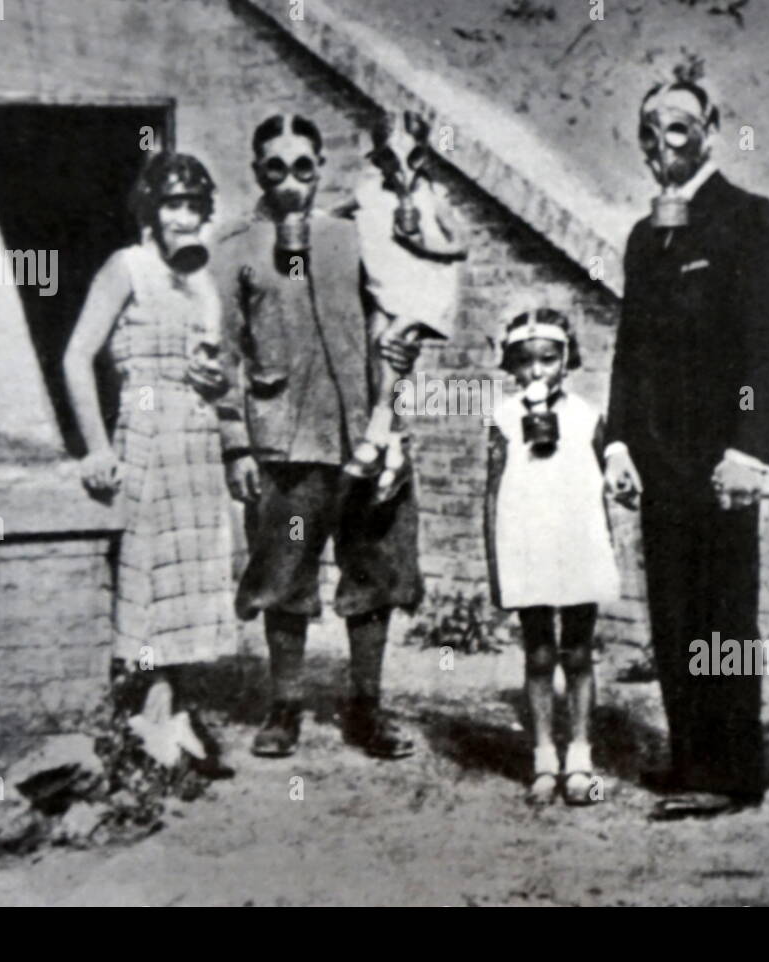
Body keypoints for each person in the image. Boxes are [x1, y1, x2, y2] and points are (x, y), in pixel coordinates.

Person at [213, 111, 435, 760]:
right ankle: (284, 705)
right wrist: (235, 444)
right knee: (284, 573)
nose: (290, 183)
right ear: (258, 172)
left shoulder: (353, 239)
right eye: (275, 169)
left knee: (375, 572)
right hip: (287, 449)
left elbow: (392, 330)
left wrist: (393, 426)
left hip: (364, 443)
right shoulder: (236, 251)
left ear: (319, 171)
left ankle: (366, 705)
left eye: (303, 169)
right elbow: (222, 353)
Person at [604, 77, 769, 819]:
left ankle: (732, 770)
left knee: (725, 611)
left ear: (712, 130)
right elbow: (629, 354)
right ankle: (691, 758)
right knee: (675, 613)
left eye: (679, 127)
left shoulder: (749, 220)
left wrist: (748, 448)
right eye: (650, 130)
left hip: (721, 462)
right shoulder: (645, 236)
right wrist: (618, 442)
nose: (663, 144)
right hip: (659, 461)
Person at [62, 152, 236, 773]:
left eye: (194, 205)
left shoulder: (205, 282)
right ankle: (147, 719)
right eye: (172, 204)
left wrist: (215, 378)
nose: (184, 217)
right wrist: (96, 446)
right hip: (144, 432)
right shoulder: (126, 267)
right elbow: (76, 357)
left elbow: (216, 377)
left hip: (196, 439)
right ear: (151, 211)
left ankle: (173, 713)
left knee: (192, 581)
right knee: (150, 574)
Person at [485, 309, 620, 805]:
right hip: (528, 544)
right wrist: (499, 567)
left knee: (579, 651)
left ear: (567, 360)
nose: (537, 370)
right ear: (511, 366)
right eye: (525, 362)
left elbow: (604, 488)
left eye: (548, 358)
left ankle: (580, 754)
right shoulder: (502, 417)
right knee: (539, 651)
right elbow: (493, 494)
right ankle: (543, 754)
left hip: (576, 542)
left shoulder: (587, 417)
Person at [345, 110, 468, 502]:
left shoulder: (433, 197)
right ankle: (395, 449)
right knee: (380, 345)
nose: (400, 170)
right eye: (388, 159)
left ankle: (375, 434)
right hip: (388, 289)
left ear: (423, 158)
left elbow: (460, 244)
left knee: (392, 343)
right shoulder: (368, 194)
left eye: (411, 159)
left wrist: (422, 245)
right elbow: (333, 215)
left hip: (425, 291)